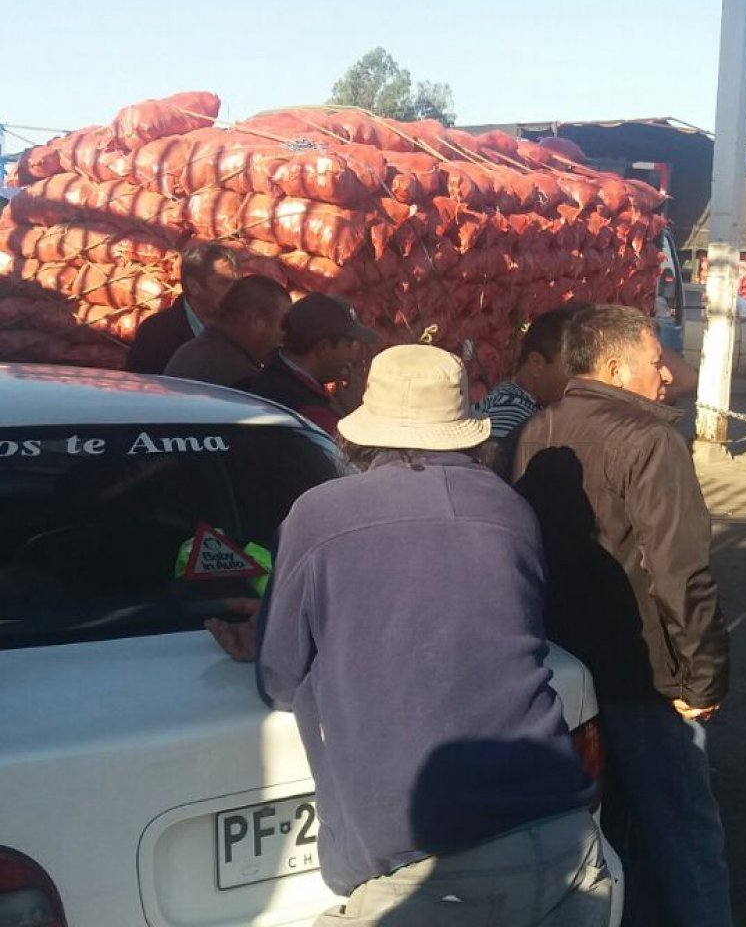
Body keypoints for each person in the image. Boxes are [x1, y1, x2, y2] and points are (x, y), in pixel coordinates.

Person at [210, 344, 613, 926]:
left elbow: (279, 678)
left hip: (423, 860)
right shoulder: (508, 508)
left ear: (367, 427)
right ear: (466, 431)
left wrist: (302, 631)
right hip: (562, 831)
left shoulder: (319, 512)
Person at [512, 304, 731, 927]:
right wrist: (703, 678)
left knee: (605, 831)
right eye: (655, 361)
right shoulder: (650, 439)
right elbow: (682, 572)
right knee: (686, 832)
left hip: (568, 670)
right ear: (613, 367)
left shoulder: (537, 431)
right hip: (647, 677)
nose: (666, 376)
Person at [250, 293, 379, 436]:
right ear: (324, 347)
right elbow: (349, 454)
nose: (352, 356)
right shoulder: (310, 415)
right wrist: (356, 411)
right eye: (348, 345)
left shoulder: (271, 375)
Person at [475, 303, 587, 440]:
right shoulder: (511, 418)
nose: (591, 378)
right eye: (579, 366)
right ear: (536, 364)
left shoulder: (530, 412)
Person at [125, 242, 239, 374]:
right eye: (224, 283)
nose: (234, 291)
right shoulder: (157, 334)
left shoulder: (240, 332)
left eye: (236, 283)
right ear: (194, 286)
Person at [163, 276, 291, 390]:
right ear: (258, 321)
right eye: (283, 324)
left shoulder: (191, 350)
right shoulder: (241, 378)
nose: (286, 335)